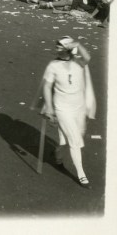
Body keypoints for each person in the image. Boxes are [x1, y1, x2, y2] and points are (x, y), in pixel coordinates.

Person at [40, 37, 97, 187]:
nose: (57, 48)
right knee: (75, 141)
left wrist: (78, 44)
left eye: (60, 46)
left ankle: (58, 157)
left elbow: (87, 57)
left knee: (66, 141)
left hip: (78, 107)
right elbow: (46, 87)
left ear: (68, 48)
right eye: (57, 45)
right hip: (62, 108)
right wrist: (50, 108)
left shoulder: (78, 62)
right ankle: (81, 174)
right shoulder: (53, 66)